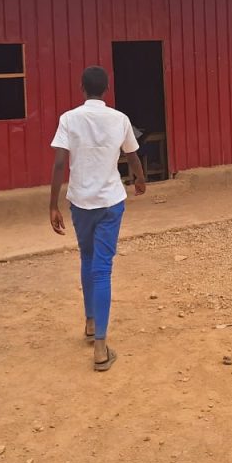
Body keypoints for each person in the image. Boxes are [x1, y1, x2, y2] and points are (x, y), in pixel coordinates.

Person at [49, 66, 146, 372]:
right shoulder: (119, 119)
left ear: (82, 87)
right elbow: (131, 156)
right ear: (106, 89)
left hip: (80, 202)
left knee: (87, 258)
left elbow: (60, 163)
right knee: (102, 269)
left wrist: (53, 205)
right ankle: (101, 348)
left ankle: (90, 323)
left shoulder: (69, 119)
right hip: (109, 201)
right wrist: (140, 179)